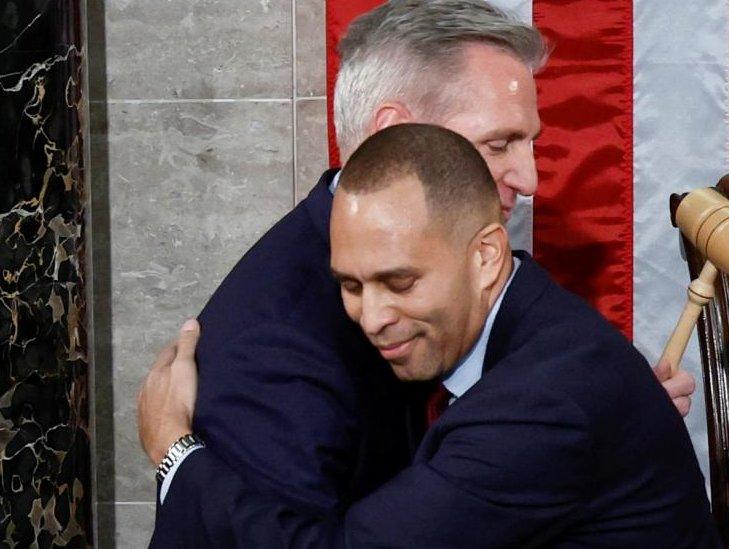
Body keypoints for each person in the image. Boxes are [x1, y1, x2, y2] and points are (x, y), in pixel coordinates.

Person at [140, 0, 697, 544]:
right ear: (392, 136)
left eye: (398, 282)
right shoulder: (279, 341)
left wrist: (597, 422)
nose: (530, 180)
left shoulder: (534, 375)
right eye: (499, 143)